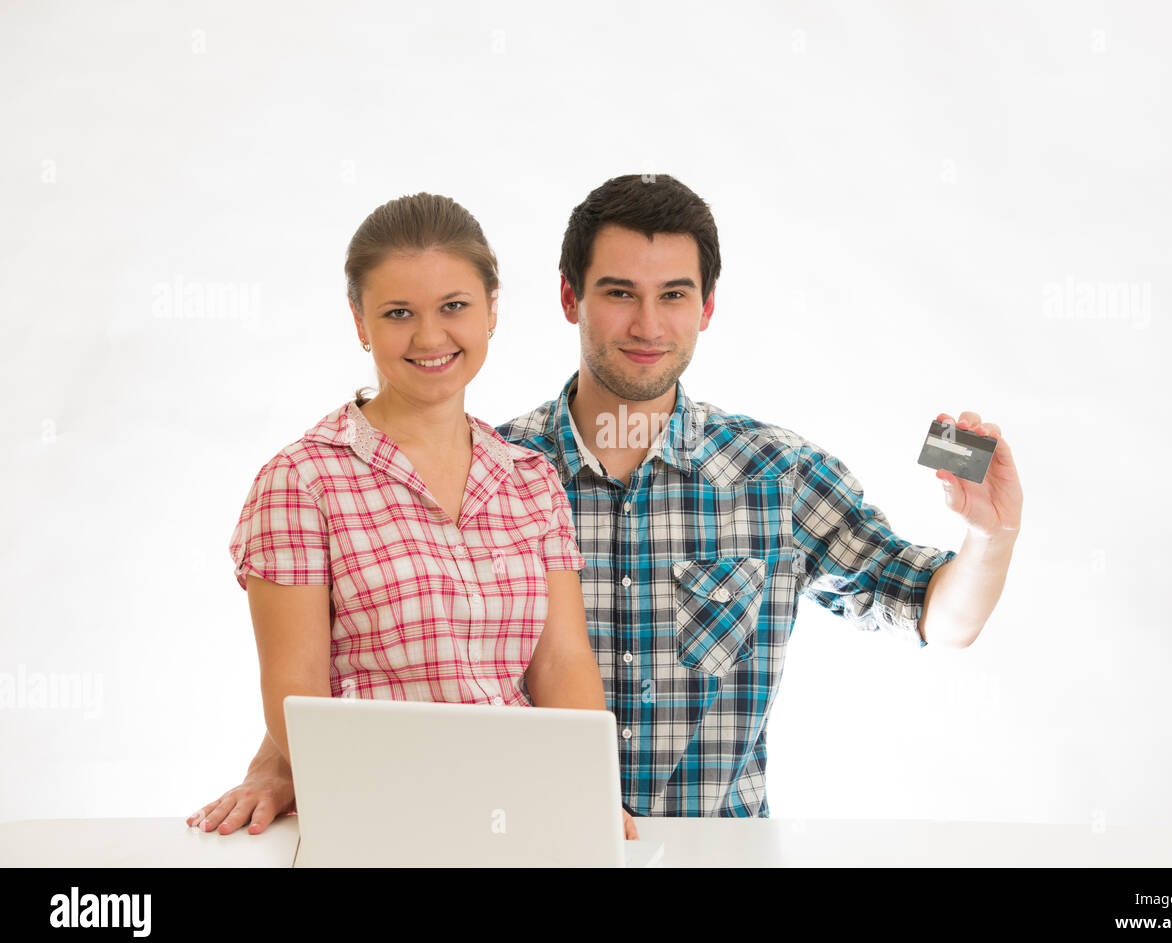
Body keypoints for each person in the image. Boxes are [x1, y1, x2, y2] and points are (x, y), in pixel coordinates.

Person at [189, 174, 1023, 830]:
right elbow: (406, 648)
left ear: (707, 306)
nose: (647, 323)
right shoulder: (507, 467)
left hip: (711, 851)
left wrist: (990, 539)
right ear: (568, 300)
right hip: (513, 844)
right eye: (620, 291)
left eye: (674, 295)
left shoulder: (777, 473)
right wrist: (283, 757)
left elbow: (935, 616)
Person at [194, 192, 637, 839]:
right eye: (399, 312)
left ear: (491, 309)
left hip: (523, 820)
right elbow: (297, 696)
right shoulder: (301, 481)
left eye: (454, 306)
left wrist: (588, 792)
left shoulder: (530, 479)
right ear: (359, 321)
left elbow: (563, 661)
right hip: (377, 821)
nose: (430, 337)